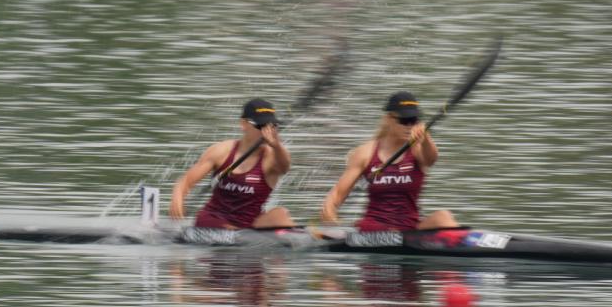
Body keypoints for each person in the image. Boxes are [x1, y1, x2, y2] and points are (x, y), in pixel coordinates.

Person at [321, 91, 459, 231]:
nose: (409, 126)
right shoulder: (365, 153)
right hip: (374, 228)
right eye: (404, 121)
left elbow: (431, 160)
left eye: (414, 120)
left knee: (444, 216)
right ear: (388, 119)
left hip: (410, 228)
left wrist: (426, 138)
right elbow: (337, 194)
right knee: (385, 230)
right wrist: (330, 217)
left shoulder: (418, 150)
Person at [169, 98, 295, 229]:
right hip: (214, 220)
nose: (266, 132)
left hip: (250, 225)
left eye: (271, 126)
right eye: (260, 125)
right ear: (243, 124)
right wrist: (178, 198)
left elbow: (284, 168)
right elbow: (185, 182)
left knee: (280, 214)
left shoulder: (272, 157)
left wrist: (277, 146)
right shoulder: (221, 151)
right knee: (221, 225)